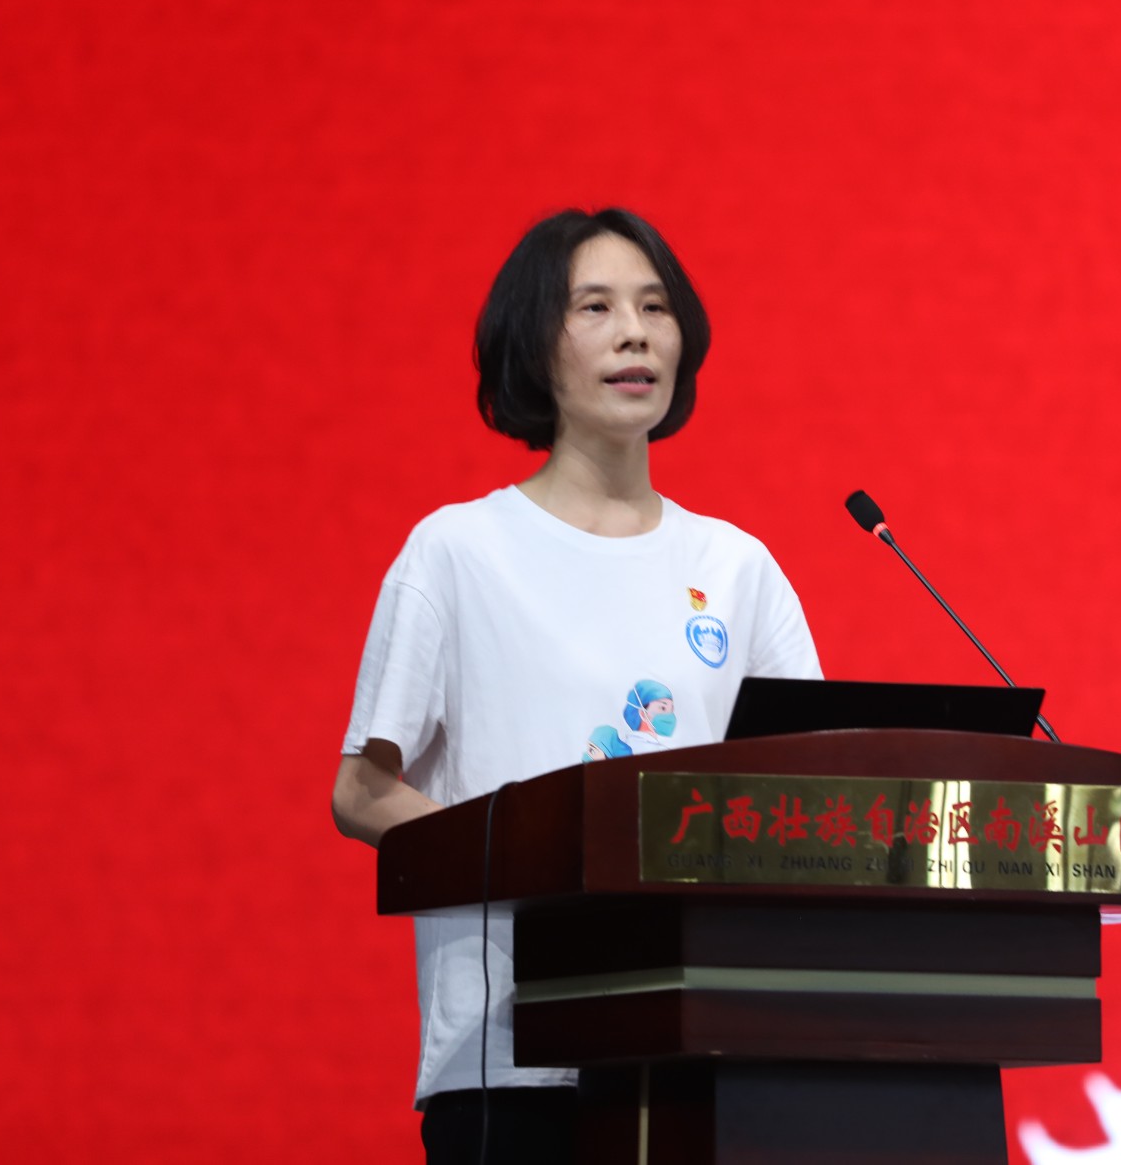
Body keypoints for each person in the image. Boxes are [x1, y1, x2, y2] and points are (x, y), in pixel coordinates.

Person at [331, 207, 821, 1163]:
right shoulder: (459, 552)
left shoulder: (736, 565)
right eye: (595, 307)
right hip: (513, 1062)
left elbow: (807, 789)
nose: (634, 332)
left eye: (655, 307)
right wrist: (532, 858)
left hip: (701, 1052)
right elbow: (362, 788)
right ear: (534, 344)